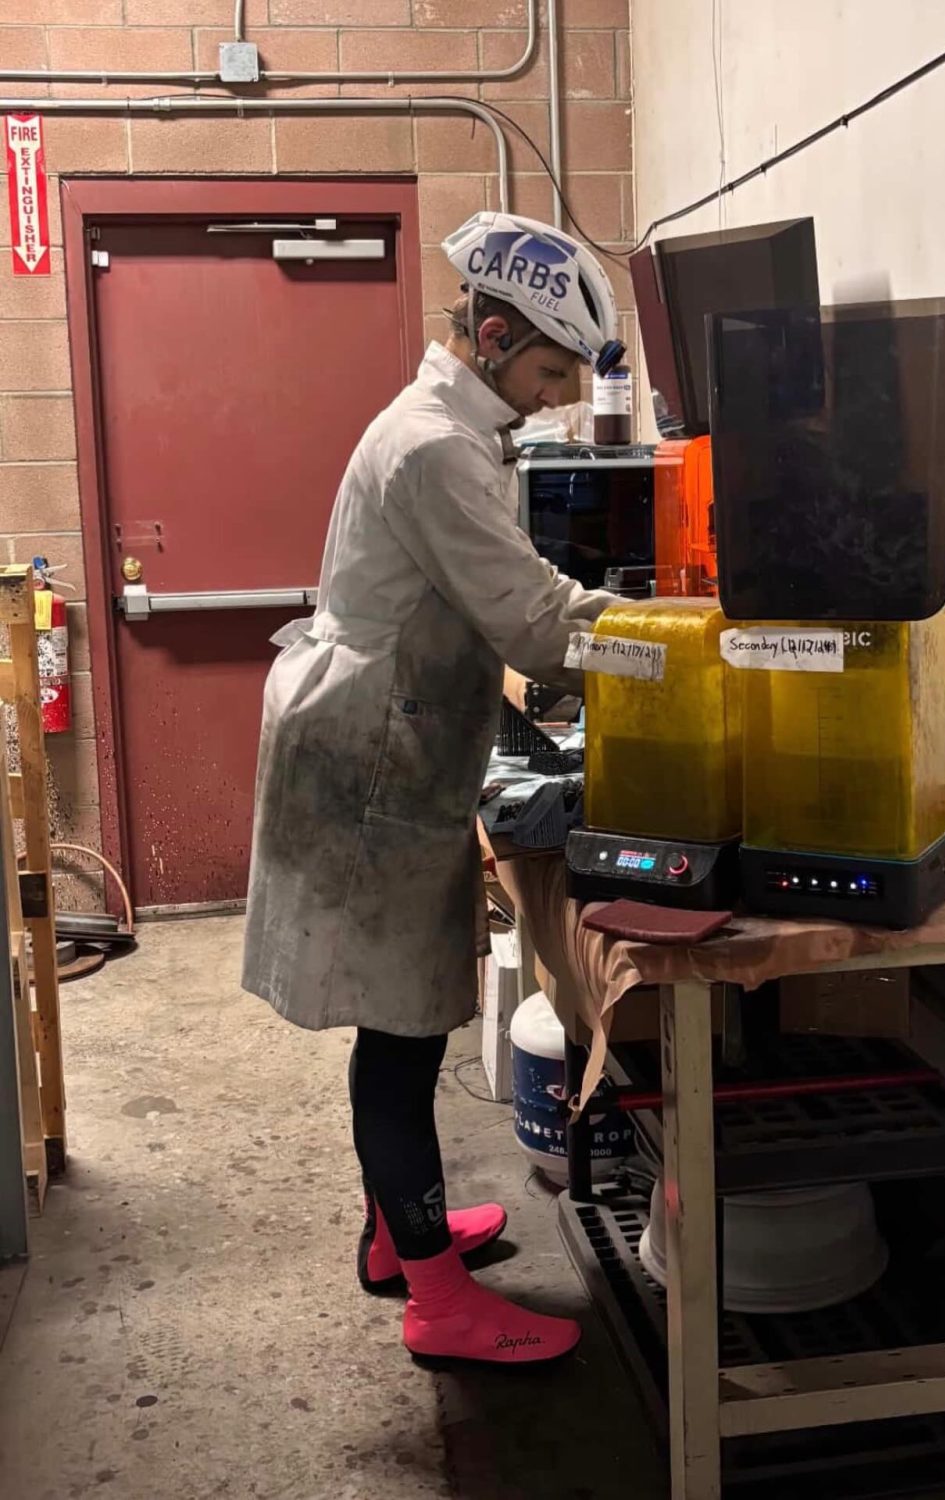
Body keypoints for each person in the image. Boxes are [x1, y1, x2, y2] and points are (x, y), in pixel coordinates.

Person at [242, 212, 624, 1366]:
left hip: (394, 736)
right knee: (403, 1034)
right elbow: (535, 619)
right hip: (371, 759)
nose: (559, 398)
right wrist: (677, 640)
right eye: (553, 371)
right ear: (496, 334)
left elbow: (504, 597)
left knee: (396, 1014)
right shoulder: (434, 447)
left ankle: (393, 1238)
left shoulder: (458, 431)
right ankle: (434, 1298)